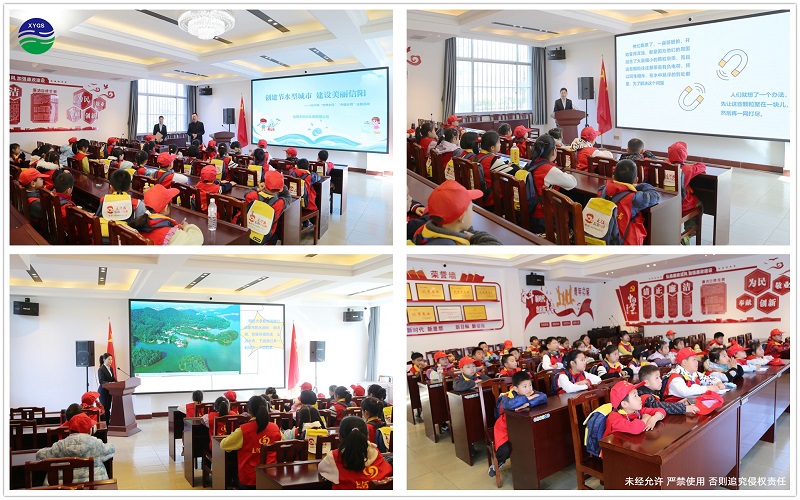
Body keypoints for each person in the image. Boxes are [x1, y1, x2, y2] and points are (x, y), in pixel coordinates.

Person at [490, 371, 547, 477]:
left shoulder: (532, 393)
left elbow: (543, 397)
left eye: (530, 385)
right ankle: (498, 463)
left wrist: (528, 403)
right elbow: (509, 405)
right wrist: (526, 399)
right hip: (504, 426)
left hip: (522, 425)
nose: (529, 389)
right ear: (515, 388)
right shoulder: (506, 396)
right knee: (505, 449)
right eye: (524, 386)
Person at [410, 180, 502, 245]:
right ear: (461, 217)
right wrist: (471, 237)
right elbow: (496, 246)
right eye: (471, 208)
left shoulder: (425, 231)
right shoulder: (453, 249)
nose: (472, 212)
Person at [220, 395, 283, 489]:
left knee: (231, 473)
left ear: (249, 411)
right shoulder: (275, 428)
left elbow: (223, 445)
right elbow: (283, 443)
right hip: (272, 477)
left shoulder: (243, 430)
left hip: (249, 480)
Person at [35, 413, 115, 485]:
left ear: (70, 430)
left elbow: (39, 456)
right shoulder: (96, 443)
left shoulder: (60, 445)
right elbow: (111, 449)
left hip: (63, 488)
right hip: (94, 486)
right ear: (89, 430)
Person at [596, 159, 661, 245]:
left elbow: (611, 186)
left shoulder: (602, 190)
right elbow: (655, 196)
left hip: (602, 237)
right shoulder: (634, 198)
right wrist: (637, 185)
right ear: (636, 180)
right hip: (623, 242)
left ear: (613, 177)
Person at [318, 416, 392, 489]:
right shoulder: (376, 452)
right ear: (368, 436)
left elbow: (321, 469)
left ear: (339, 437)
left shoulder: (334, 457)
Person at [524, 134, 578, 233]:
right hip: (543, 219)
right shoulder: (548, 170)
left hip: (530, 213)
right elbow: (572, 183)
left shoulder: (530, 164)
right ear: (553, 151)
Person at [127, 184, 203, 245]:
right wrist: (187, 226)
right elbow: (198, 239)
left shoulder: (139, 222)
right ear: (166, 207)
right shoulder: (169, 235)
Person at [667, 141, 707, 244]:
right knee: (698, 205)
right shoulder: (687, 169)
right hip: (681, 203)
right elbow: (702, 166)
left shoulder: (664, 164)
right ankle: (688, 233)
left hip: (665, 202)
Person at [95, 169, 147, 241]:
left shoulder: (104, 200)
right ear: (129, 188)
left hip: (102, 240)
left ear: (111, 188)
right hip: (125, 242)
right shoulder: (138, 205)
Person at [243, 170, 292, 245]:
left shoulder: (252, 196)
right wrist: (281, 186)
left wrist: (258, 188)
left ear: (264, 184)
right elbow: (288, 197)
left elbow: (247, 192)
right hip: (265, 234)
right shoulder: (279, 203)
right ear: (281, 189)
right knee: (275, 236)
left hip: (246, 228)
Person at [97, 353, 116, 423]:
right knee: (104, 408)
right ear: (104, 359)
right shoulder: (101, 369)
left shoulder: (111, 369)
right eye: (109, 359)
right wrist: (110, 383)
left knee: (108, 408)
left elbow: (112, 378)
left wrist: (118, 383)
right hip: (103, 392)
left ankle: (108, 423)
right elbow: (101, 381)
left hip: (109, 391)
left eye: (111, 359)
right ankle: (104, 424)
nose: (111, 361)